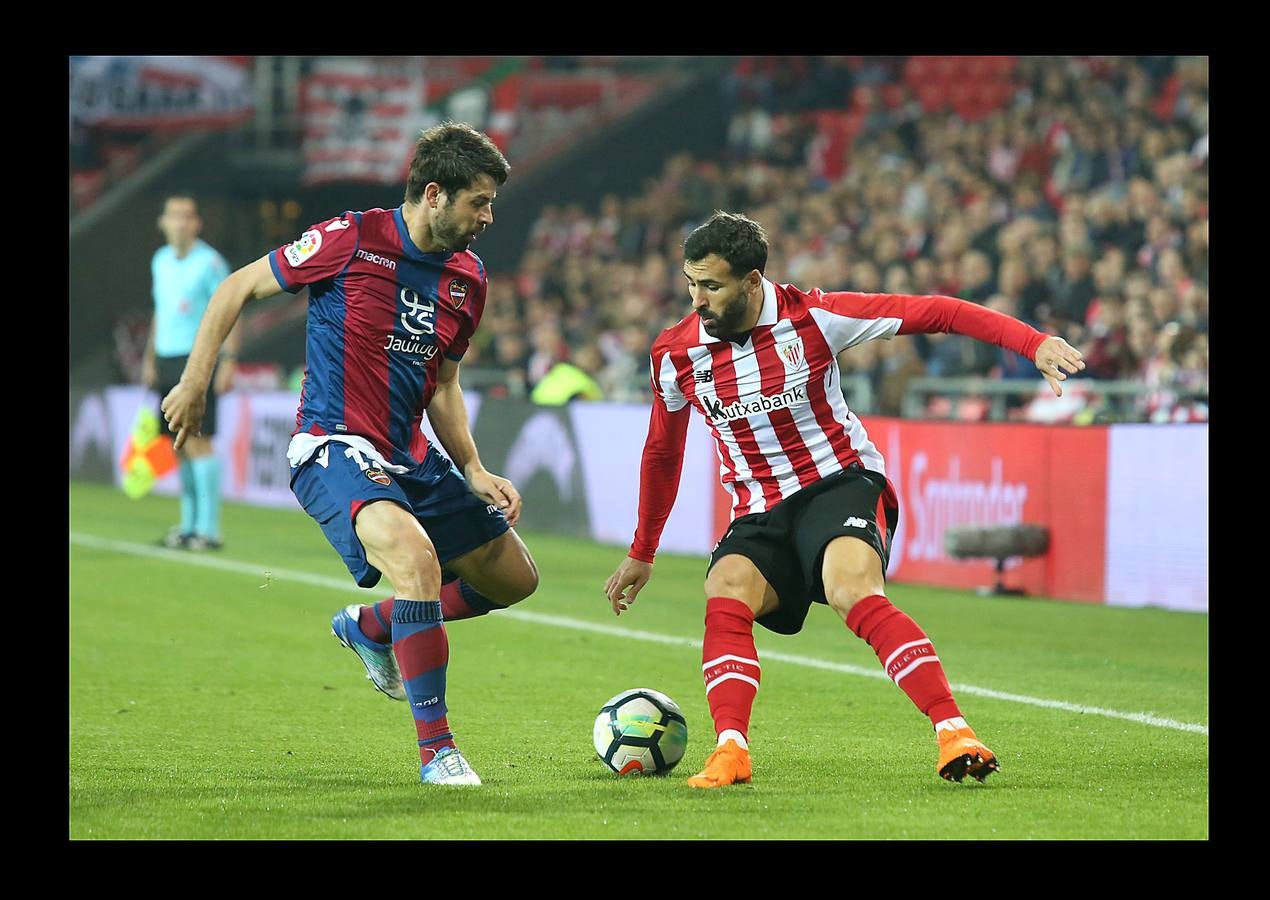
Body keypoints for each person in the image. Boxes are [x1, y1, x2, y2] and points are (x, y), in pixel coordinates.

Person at [603, 211, 1084, 788]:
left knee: (850, 590)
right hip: (759, 508)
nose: (696, 299)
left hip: (840, 481)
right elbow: (662, 454)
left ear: (753, 281)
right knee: (726, 589)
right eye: (691, 283)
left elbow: (939, 311)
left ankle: (954, 731)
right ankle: (731, 749)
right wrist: (643, 549)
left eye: (712, 285)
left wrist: (1032, 342)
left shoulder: (816, 318)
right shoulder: (676, 355)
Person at [161, 123, 540, 787]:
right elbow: (236, 290)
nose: (487, 217)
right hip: (332, 444)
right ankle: (438, 753)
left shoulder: (468, 280)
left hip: (411, 455)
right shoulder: (352, 238)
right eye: (478, 202)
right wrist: (195, 380)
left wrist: (475, 468)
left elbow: (444, 385)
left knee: (514, 578)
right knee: (416, 561)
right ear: (433, 194)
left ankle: (371, 627)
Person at [143, 194, 235, 550]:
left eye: (186, 217)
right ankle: (187, 524)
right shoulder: (160, 260)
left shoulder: (210, 263)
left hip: (197, 361)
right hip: (166, 357)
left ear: (196, 223)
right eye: (172, 216)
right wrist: (150, 357)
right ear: (162, 222)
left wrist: (228, 359)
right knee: (177, 444)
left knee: (198, 440)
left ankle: (209, 530)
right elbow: (161, 310)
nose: (178, 223)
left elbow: (230, 310)